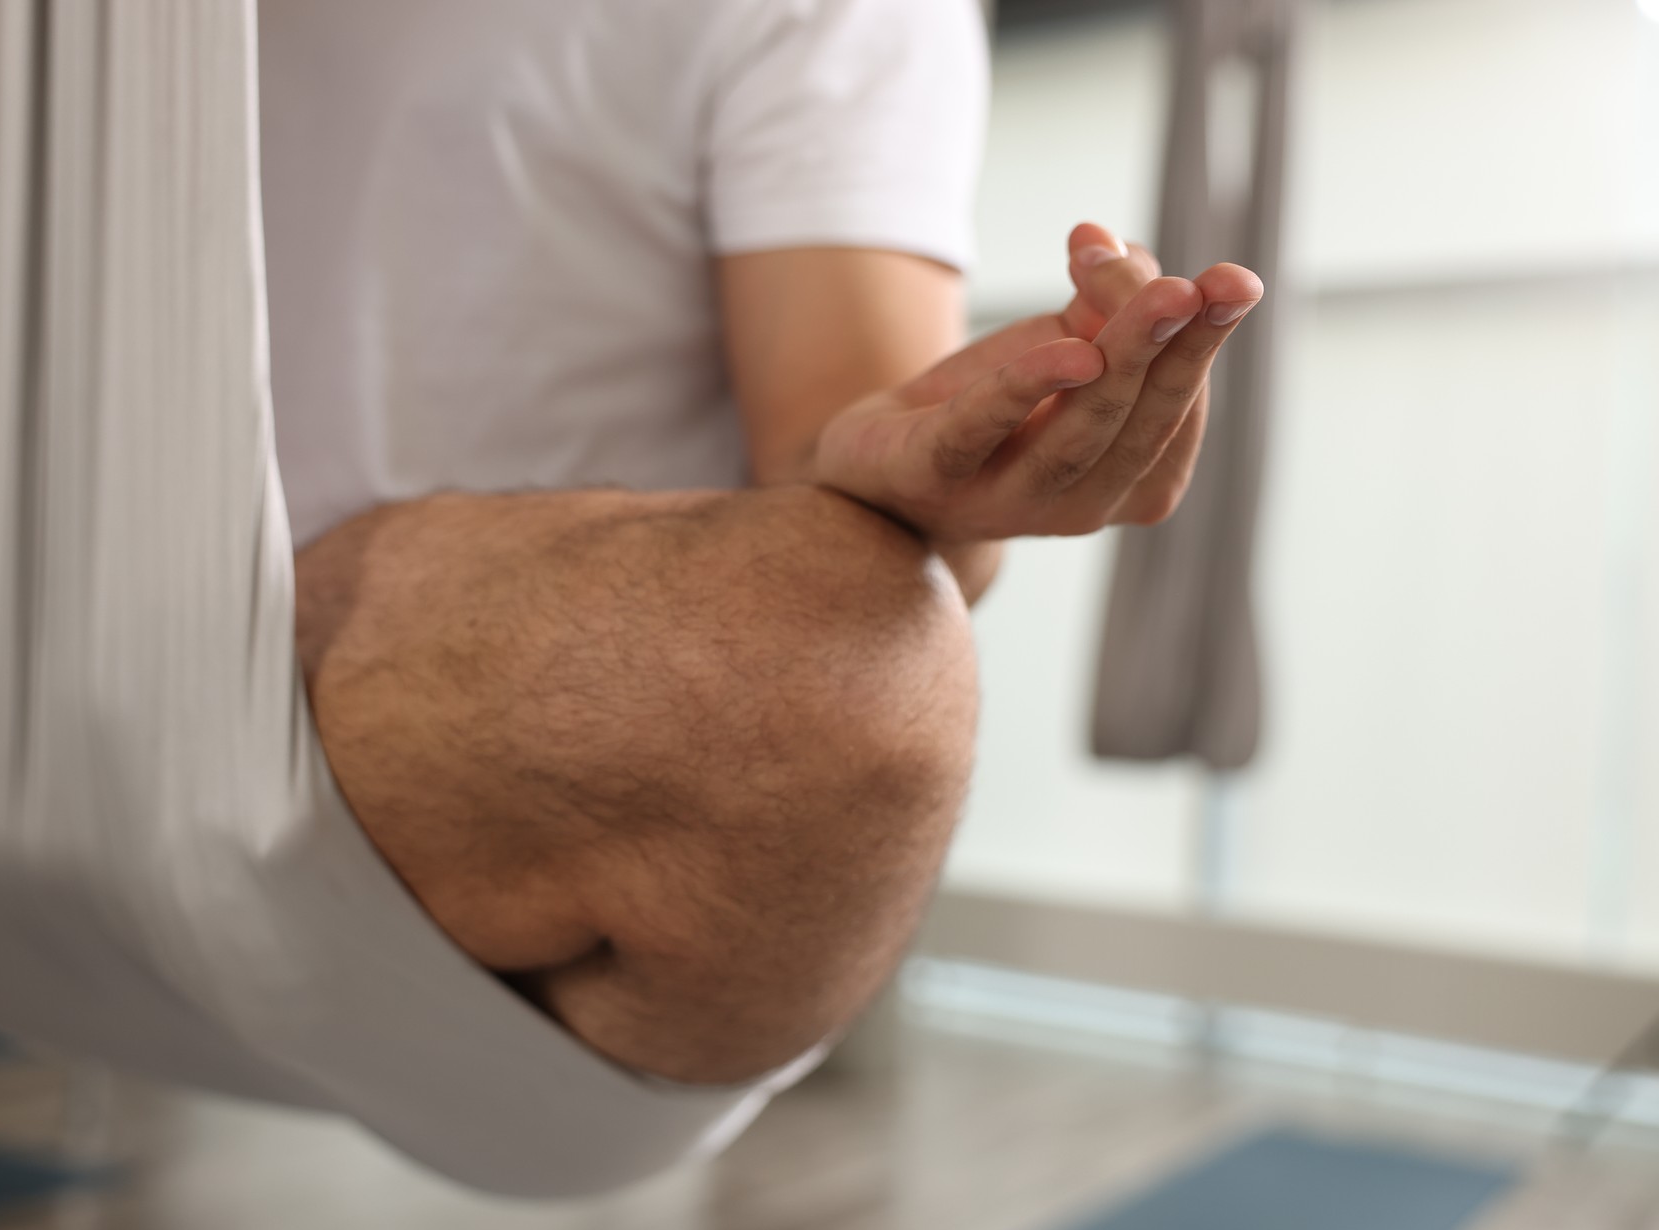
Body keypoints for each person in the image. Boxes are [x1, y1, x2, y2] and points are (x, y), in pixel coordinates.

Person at [259, 0, 1264, 1086]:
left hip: (435, 688)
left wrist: (948, 482)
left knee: (848, 654)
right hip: (89, 622)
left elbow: (854, 469)